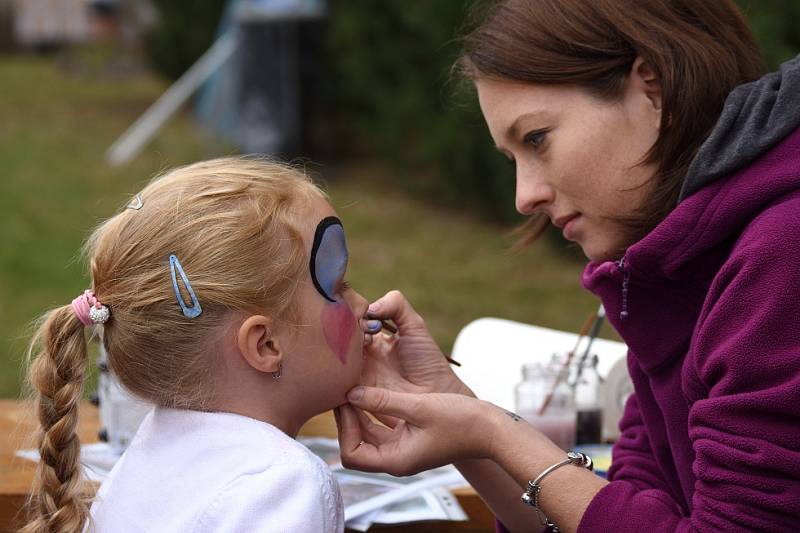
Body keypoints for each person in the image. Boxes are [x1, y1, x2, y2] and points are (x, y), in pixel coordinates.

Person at [335, 1, 800, 532]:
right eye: (513, 159)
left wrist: (496, 432)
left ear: (652, 85)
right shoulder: (676, 270)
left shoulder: (783, 256)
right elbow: (622, 508)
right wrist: (457, 410)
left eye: (537, 139)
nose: (524, 197)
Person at [22, 157, 374, 533]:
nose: (364, 306)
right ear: (265, 344)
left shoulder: (151, 454)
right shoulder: (282, 485)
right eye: (339, 287)